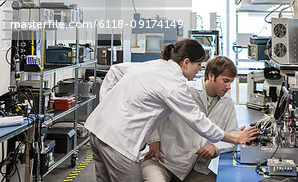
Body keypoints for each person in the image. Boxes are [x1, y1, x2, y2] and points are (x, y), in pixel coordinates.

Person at [85, 39, 257, 182]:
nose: (200, 69)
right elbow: (198, 120)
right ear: (186, 62)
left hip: (97, 130)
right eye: (198, 64)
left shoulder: (156, 66)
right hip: (118, 141)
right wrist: (234, 138)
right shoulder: (174, 84)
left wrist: (105, 107)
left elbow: (115, 70)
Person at [141, 56, 238, 182]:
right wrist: (153, 139)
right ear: (211, 76)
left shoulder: (227, 102)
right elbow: (150, 111)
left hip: (192, 168)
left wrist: (215, 147)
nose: (229, 86)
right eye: (225, 81)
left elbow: (233, 136)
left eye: (231, 82)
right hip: (161, 161)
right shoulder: (184, 90)